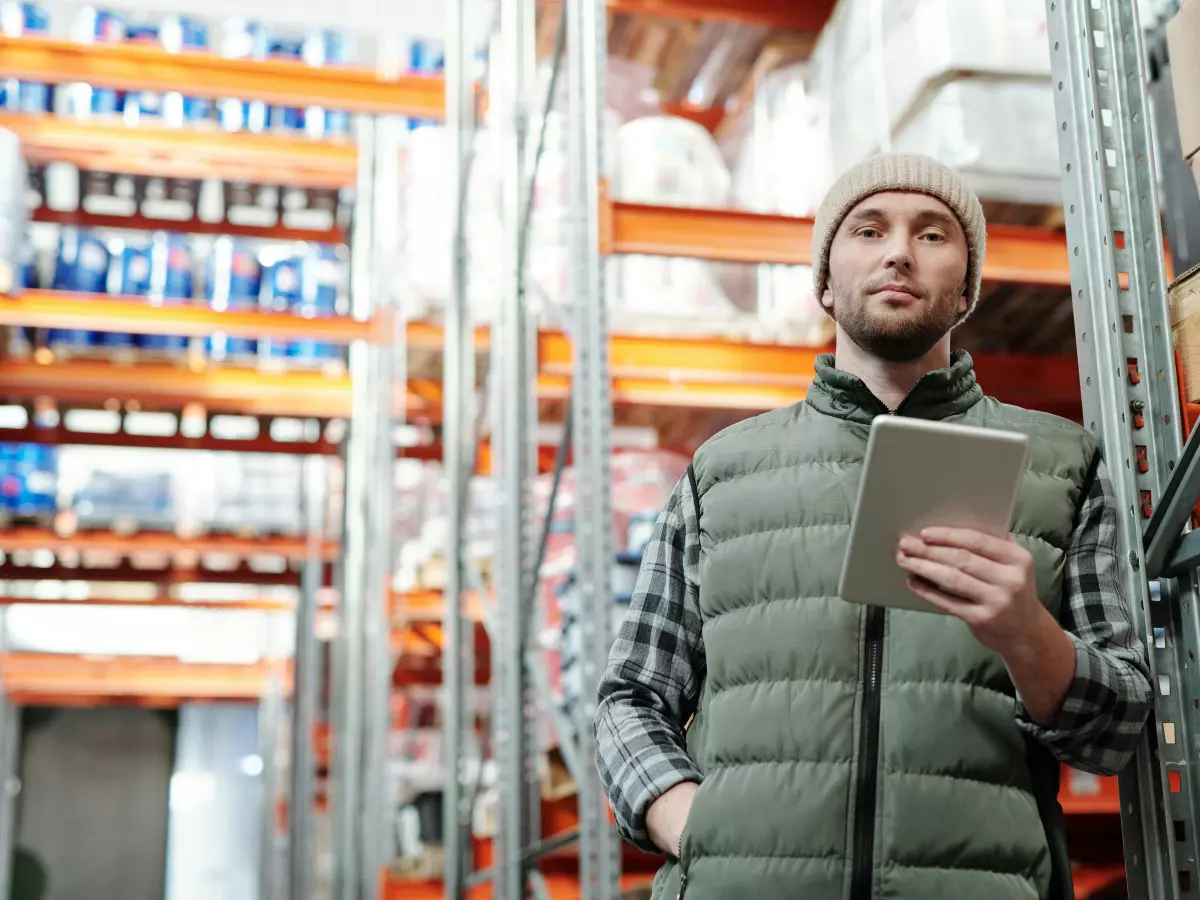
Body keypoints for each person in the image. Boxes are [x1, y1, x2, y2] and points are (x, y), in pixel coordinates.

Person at [593, 152, 1153, 900]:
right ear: (824, 282)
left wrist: (1029, 635)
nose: (897, 251)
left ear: (966, 288)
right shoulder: (723, 471)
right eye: (867, 230)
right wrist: (688, 820)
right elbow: (632, 694)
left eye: (931, 235)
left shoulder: (1061, 466)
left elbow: (1116, 732)